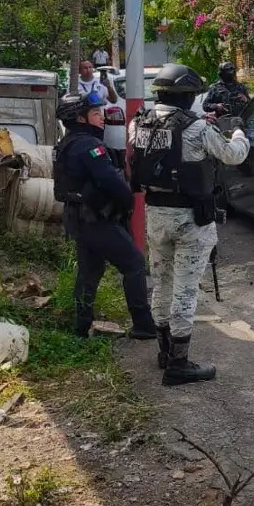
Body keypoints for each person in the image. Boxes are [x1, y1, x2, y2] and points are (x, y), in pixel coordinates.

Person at [130, 63, 250, 386]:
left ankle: (163, 352)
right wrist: (238, 130)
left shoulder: (137, 124)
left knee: (162, 281)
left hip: (156, 215)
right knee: (185, 289)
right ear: (185, 97)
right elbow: (232, 154)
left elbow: (168, 142)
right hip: (190, 220)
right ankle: (179, 364)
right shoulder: (196, 129)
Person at [53, 88, 157, 340]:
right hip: (95, 219)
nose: (101, 117)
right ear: (80, 118)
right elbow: (113, 182)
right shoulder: (89, 145)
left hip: (78, 218)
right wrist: (127, 203)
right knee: (133, 264)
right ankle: (143, 326)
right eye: (95, 113)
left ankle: (81, 327)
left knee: (89, 273)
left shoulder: (66, 144)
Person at [76, 60, 124, 166]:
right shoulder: (76, 85)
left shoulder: (100, 83)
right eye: (85, 68)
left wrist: (108, 86)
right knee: (84, 145)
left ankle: (98, 164)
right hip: (83, 122)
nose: (88, 70)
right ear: (80, 71)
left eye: (90, 67)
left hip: (97, 122)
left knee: (97, 145)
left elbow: (113, 100)